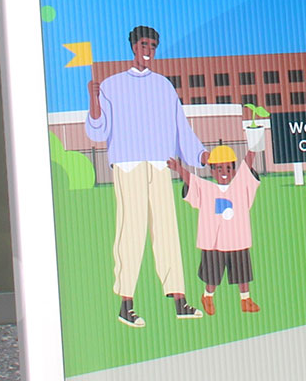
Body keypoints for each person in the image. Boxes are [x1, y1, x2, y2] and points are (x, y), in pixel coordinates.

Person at [85, 25, 205, 328]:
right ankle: (127, 304)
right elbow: (98, 132)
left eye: (153, 44)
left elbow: (180, 127)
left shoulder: (164, 86)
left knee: (167, 233)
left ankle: (179, 300)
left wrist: (201, 156)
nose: (148, 50)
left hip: (160, 166)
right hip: (128, 166)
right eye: (143, 44)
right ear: (133, 46)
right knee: (131, 233)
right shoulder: (112, 86)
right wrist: (93, 100)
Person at [177, 144, 259, 316]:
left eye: (229, 168)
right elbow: (190, 181)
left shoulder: (240, 186)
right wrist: (178, 168)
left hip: (238, 240)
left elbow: (248, 165)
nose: (224, 172)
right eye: (219, 168)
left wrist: (253, 145)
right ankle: (208, 296)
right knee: (212, 275)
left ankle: (245, 299)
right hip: (214, 243)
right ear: (212, 170)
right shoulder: (206, 189)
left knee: (242, 273)